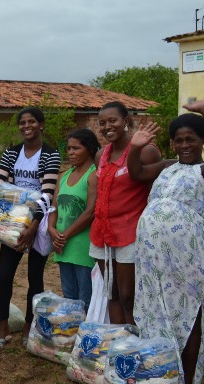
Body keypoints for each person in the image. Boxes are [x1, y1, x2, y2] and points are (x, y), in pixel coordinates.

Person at [128, 99, 204, 384]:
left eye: (191, 139)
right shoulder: (168, 167)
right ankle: (160, 379)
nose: (184, 145)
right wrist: (135, 145)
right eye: (179, 140)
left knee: (190, 318)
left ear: (202, 141)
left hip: (189, 261)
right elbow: (137, 171)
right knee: (157, 316)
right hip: (154, 262)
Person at [0, 107, 60, 350]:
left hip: (37, 223)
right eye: (22, 123)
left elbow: (47, 194)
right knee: (5, 275)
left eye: (31, 122)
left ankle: (29, 325)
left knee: (35, 278)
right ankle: (3, 323)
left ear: (41, 124)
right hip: (12, 223)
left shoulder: (50, 154)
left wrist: (34, 226)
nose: (26, 126)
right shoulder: (12, 152)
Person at [89, 102, 161, 325]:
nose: (107, 126)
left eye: (113, 121)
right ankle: (119, 342)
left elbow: (155, 192)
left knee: (129, 295)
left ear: (126, 121)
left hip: (130, 232)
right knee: (111, 293)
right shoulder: (101, 154)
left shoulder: (146, 151)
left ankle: (134, 343)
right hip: (102, 232)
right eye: (102, 123)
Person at [47, 129, 99, 309]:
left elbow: (90, 212)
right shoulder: (64, 176)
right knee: (68, 295)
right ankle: (70, 333)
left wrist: (64, 235)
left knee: (86, 297)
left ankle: (84, 334)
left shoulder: (94, 175)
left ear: (90, 149)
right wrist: (51, 229)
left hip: (82, 246)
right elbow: (54, 207)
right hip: (62, 245)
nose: (70, 152)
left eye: (76, 148)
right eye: (68, 148)